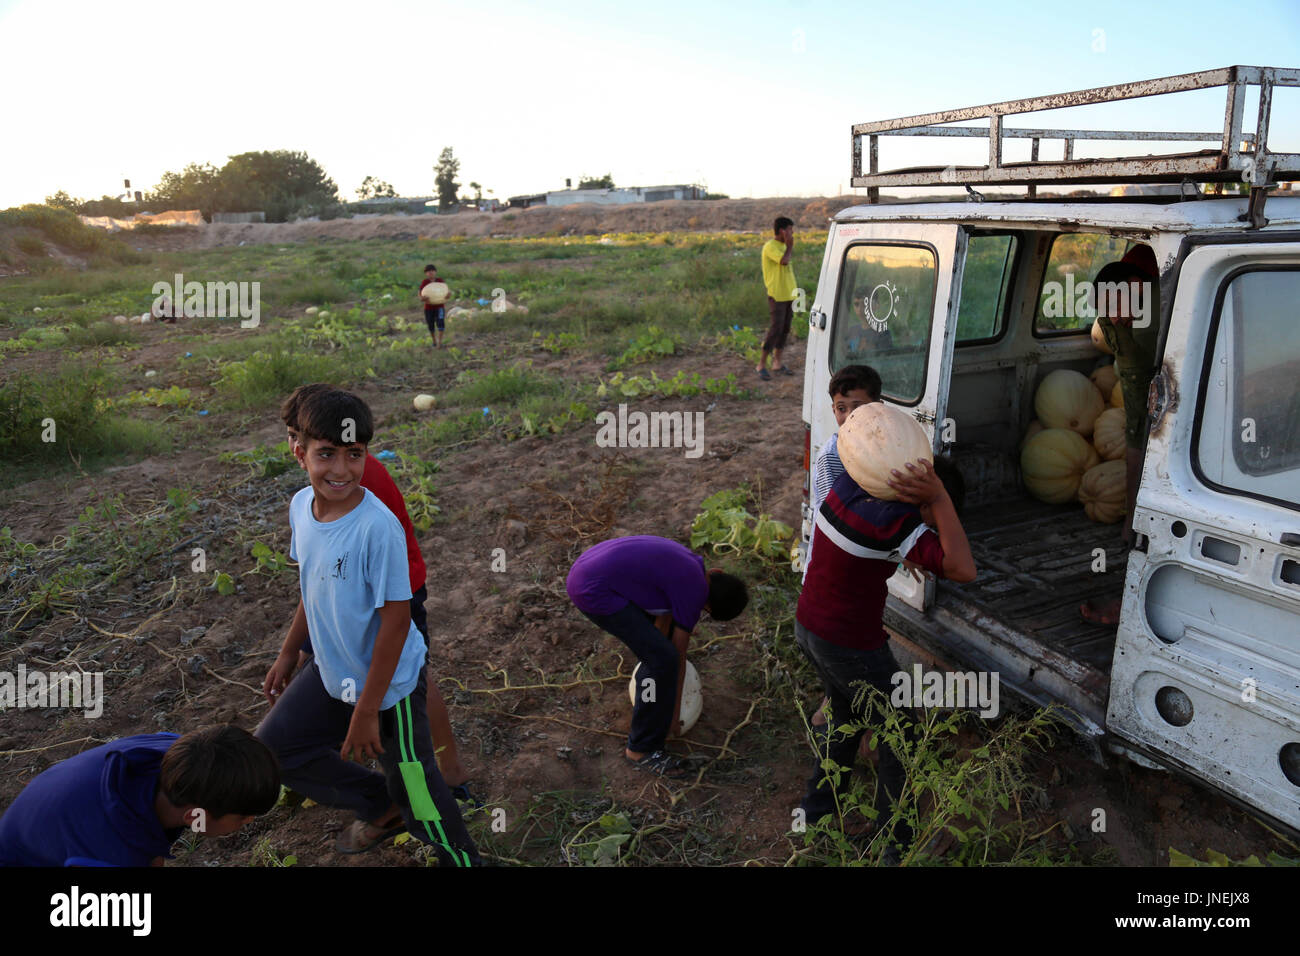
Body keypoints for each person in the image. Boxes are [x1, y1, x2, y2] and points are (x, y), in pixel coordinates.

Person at [256, 388, 479, 865]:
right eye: (326, 455)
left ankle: (463, 860)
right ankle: (380, 800)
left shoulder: (377, 528)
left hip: (391, 692)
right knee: (274, 752)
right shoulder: (301, 508)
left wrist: (366, 711)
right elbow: (311, 586)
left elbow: (398, 623)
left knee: (421, 795)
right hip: (331, 671)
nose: (340, 469)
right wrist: (289, 649)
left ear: (366, 454)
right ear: (299, 452)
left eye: (353, 455)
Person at [796, 455, 976, 856]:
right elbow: (963, 568)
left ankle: (815, 820)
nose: (931, 530)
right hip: (849, 645)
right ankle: (897, 847)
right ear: (923, 499)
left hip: (810, 627)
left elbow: (866, 546)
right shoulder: (902, 522)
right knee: (902, 736)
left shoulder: (853, 485)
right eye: (933, 518)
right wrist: (941, 499)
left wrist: (917, 532)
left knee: (845, 719)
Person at [566, 535, 748, 777]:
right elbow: (678, 658)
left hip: (586, 565)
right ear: (708, 608)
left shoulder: (694, 564)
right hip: (593, 590)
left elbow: (663, 618)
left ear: (717, 572)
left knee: (657, 651)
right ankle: (642, 749)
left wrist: (655, 647)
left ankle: (649, 692)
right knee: (663, 661)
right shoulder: (694, 593)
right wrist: (674, 717)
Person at [0, 725, 279, 867]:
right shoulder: (111, 852)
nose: (249, 819)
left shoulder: (180, 755)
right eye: (242, 817)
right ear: (195, 817)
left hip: (52, 817)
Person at [1080, 244, 1160, 626]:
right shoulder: (1116, 323)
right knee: (1135, 451)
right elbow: (1130, 374)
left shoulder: (1162, 311)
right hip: (1140, 396)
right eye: (1110, 309)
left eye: (1122, 305)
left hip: (1175, 396)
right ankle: (1133, 526)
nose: (1116, 315)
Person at [805, 364, 884, 580]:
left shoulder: (885, 448)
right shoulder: (832, 456)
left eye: (858, 408)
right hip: (831, 563)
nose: (850, 416)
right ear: (833, 410)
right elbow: (837, 518)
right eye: (842, 408)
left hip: (861, 554)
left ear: (879, 408)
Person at [756, 216, 797, 381]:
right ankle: (761, 364)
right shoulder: (770, 247)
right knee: (775, 329)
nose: (792, 233)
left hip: (789, 294)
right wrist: (789, 247)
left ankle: (777, 363)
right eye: (790, 229)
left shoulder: (783, 246)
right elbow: (784, 261)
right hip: (777, 295)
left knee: (785, 329)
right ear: (782, 231)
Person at [418, 264, 448, 349]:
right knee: (430, 325)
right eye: (428, 271)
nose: (430, 272)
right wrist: (422, 298)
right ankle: (434, 341)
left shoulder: (440, 281)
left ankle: (440, 342)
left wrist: (448, 295)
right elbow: (420, 294)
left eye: (432, 270)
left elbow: (446, 292)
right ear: (426, 273)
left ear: (435, 272)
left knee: (441, 323)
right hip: (428, 308)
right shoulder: (425, 282)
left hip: (439, 307)